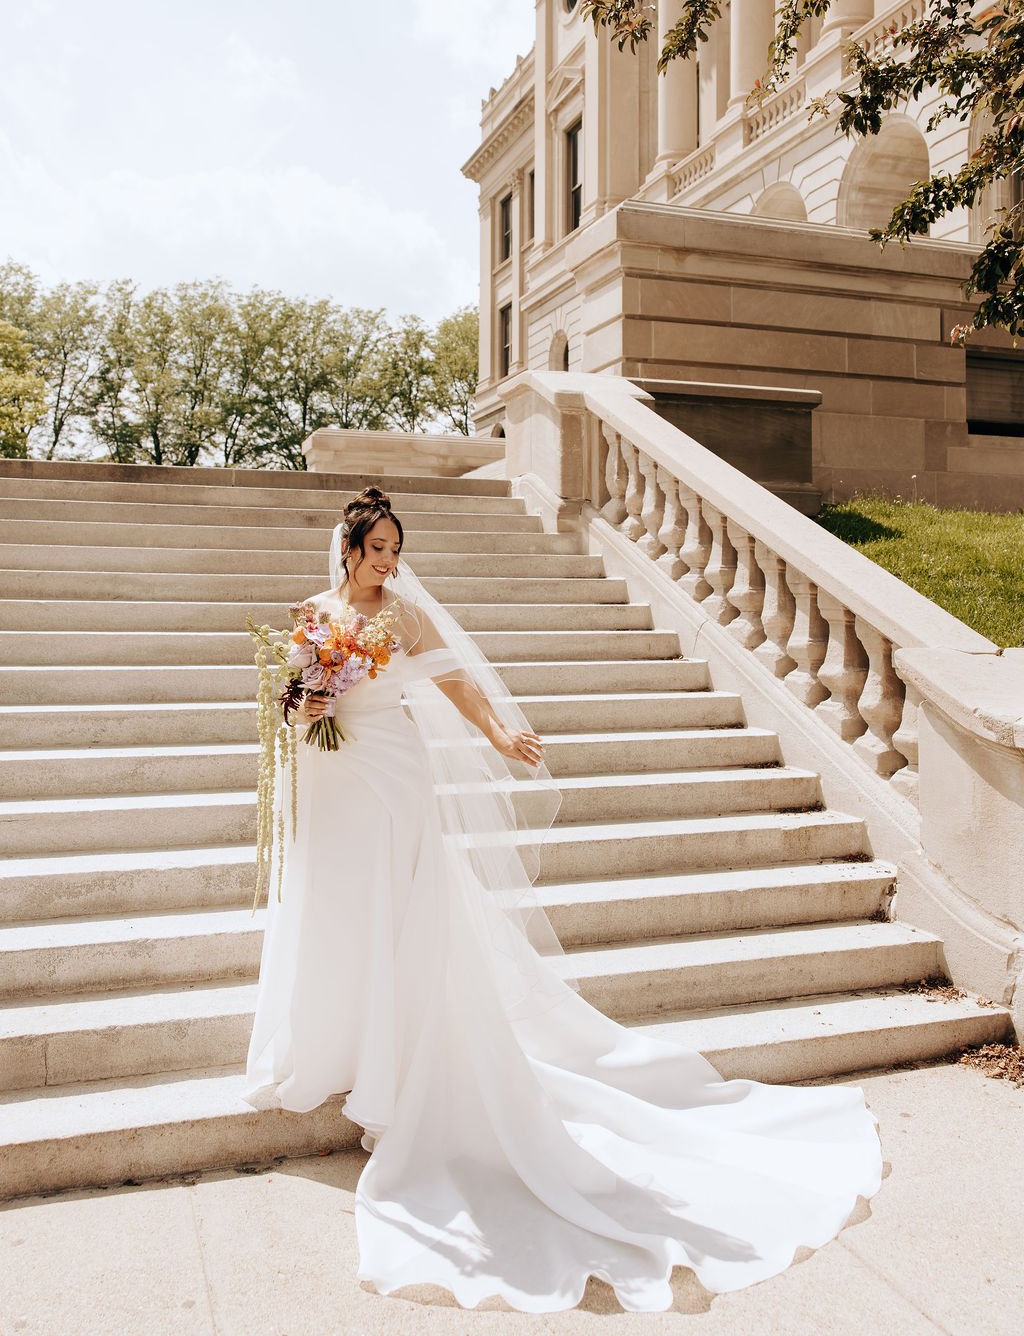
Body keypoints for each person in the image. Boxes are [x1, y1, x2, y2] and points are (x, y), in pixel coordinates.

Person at [242, 486, 883, 1314]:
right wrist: (307, 701)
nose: (389, 564)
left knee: (396, 912)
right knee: (336, 912)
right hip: (331, 776)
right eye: (377, 551)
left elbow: (454, 682)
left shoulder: (400, 615)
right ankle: (334, 1044)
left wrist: (501, 733)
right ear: (348, 547)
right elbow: (283, 698)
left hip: (394, 773)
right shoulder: (309, 613)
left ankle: (397, 1062)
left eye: (396, 552)